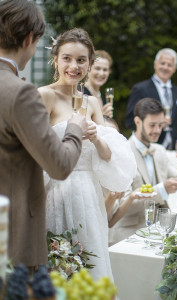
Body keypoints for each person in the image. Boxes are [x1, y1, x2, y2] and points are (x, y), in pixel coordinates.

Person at [38, 28, 136, 280]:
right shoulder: (44, 96)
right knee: (60, 266)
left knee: (92, 264)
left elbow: (106, 156)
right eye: (67, 58)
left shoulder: (91, 103)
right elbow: (37, 150)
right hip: (56, 191)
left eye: (81, 60)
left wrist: (95, 136)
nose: (74, 66)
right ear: (56, 59)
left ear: (90, 64)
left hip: (89, 196)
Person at [0, 0, 87, 269]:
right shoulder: (20, 92)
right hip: (13, 233)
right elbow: (59, 165)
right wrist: (75, 129)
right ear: (29, 38)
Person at [110, 98, 177, 244]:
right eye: (152, 125)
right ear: (137, 122)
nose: (157, 131)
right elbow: (124, 207)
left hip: (161, 229)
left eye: (160, 125)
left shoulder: (159, 151)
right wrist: (161, 190)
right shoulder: (123, 153)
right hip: (131, 234)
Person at [125, 48, 177, 150]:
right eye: (162, 63)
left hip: (173, 151)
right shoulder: (140, 89)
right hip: (149, 148)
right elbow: (130, 121)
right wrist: (156, 124)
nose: (165, 67)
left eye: (169, 65)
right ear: (155, 64)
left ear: (174, 68)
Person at [84, 50, 113, 118]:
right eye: (97, 68)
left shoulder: (102, 98)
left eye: (105, 70)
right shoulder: (82, 93)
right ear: (88, 68)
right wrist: (103, 117)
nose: (101, 73)